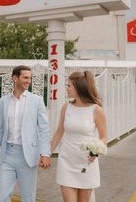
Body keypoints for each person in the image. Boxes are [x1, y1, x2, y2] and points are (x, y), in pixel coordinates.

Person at [0, 65, 51, 202]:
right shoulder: (4, 101)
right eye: (25, 77)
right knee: (1, 197)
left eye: (30, 78)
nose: (28, 81)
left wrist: (45, 153)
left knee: (28, 198)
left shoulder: (36, 101)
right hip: (7, 155)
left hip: (28, 156)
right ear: (15, 78)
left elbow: (44, 129)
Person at [51, 71, 107, 202]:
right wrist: (46, 153)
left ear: (79, 87)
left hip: (86, 164)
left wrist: (95, 152)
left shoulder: (96, 110)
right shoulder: (66, 107)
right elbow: (59, 131)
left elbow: (104, 137)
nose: (67, 89)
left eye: (69, 86)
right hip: (66, 160)